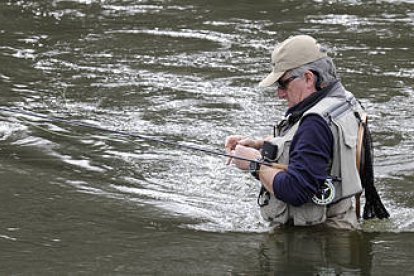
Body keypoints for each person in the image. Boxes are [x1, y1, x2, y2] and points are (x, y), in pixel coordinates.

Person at [225, 35, 368, 229]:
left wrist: (255, 164)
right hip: (341, 228)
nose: (280, 93)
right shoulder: (343, 100)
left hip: (315, 243)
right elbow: (319, 152)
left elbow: (296, 190)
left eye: (283, 84)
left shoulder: (315, 125)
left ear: (308, 78)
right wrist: (260, 144)